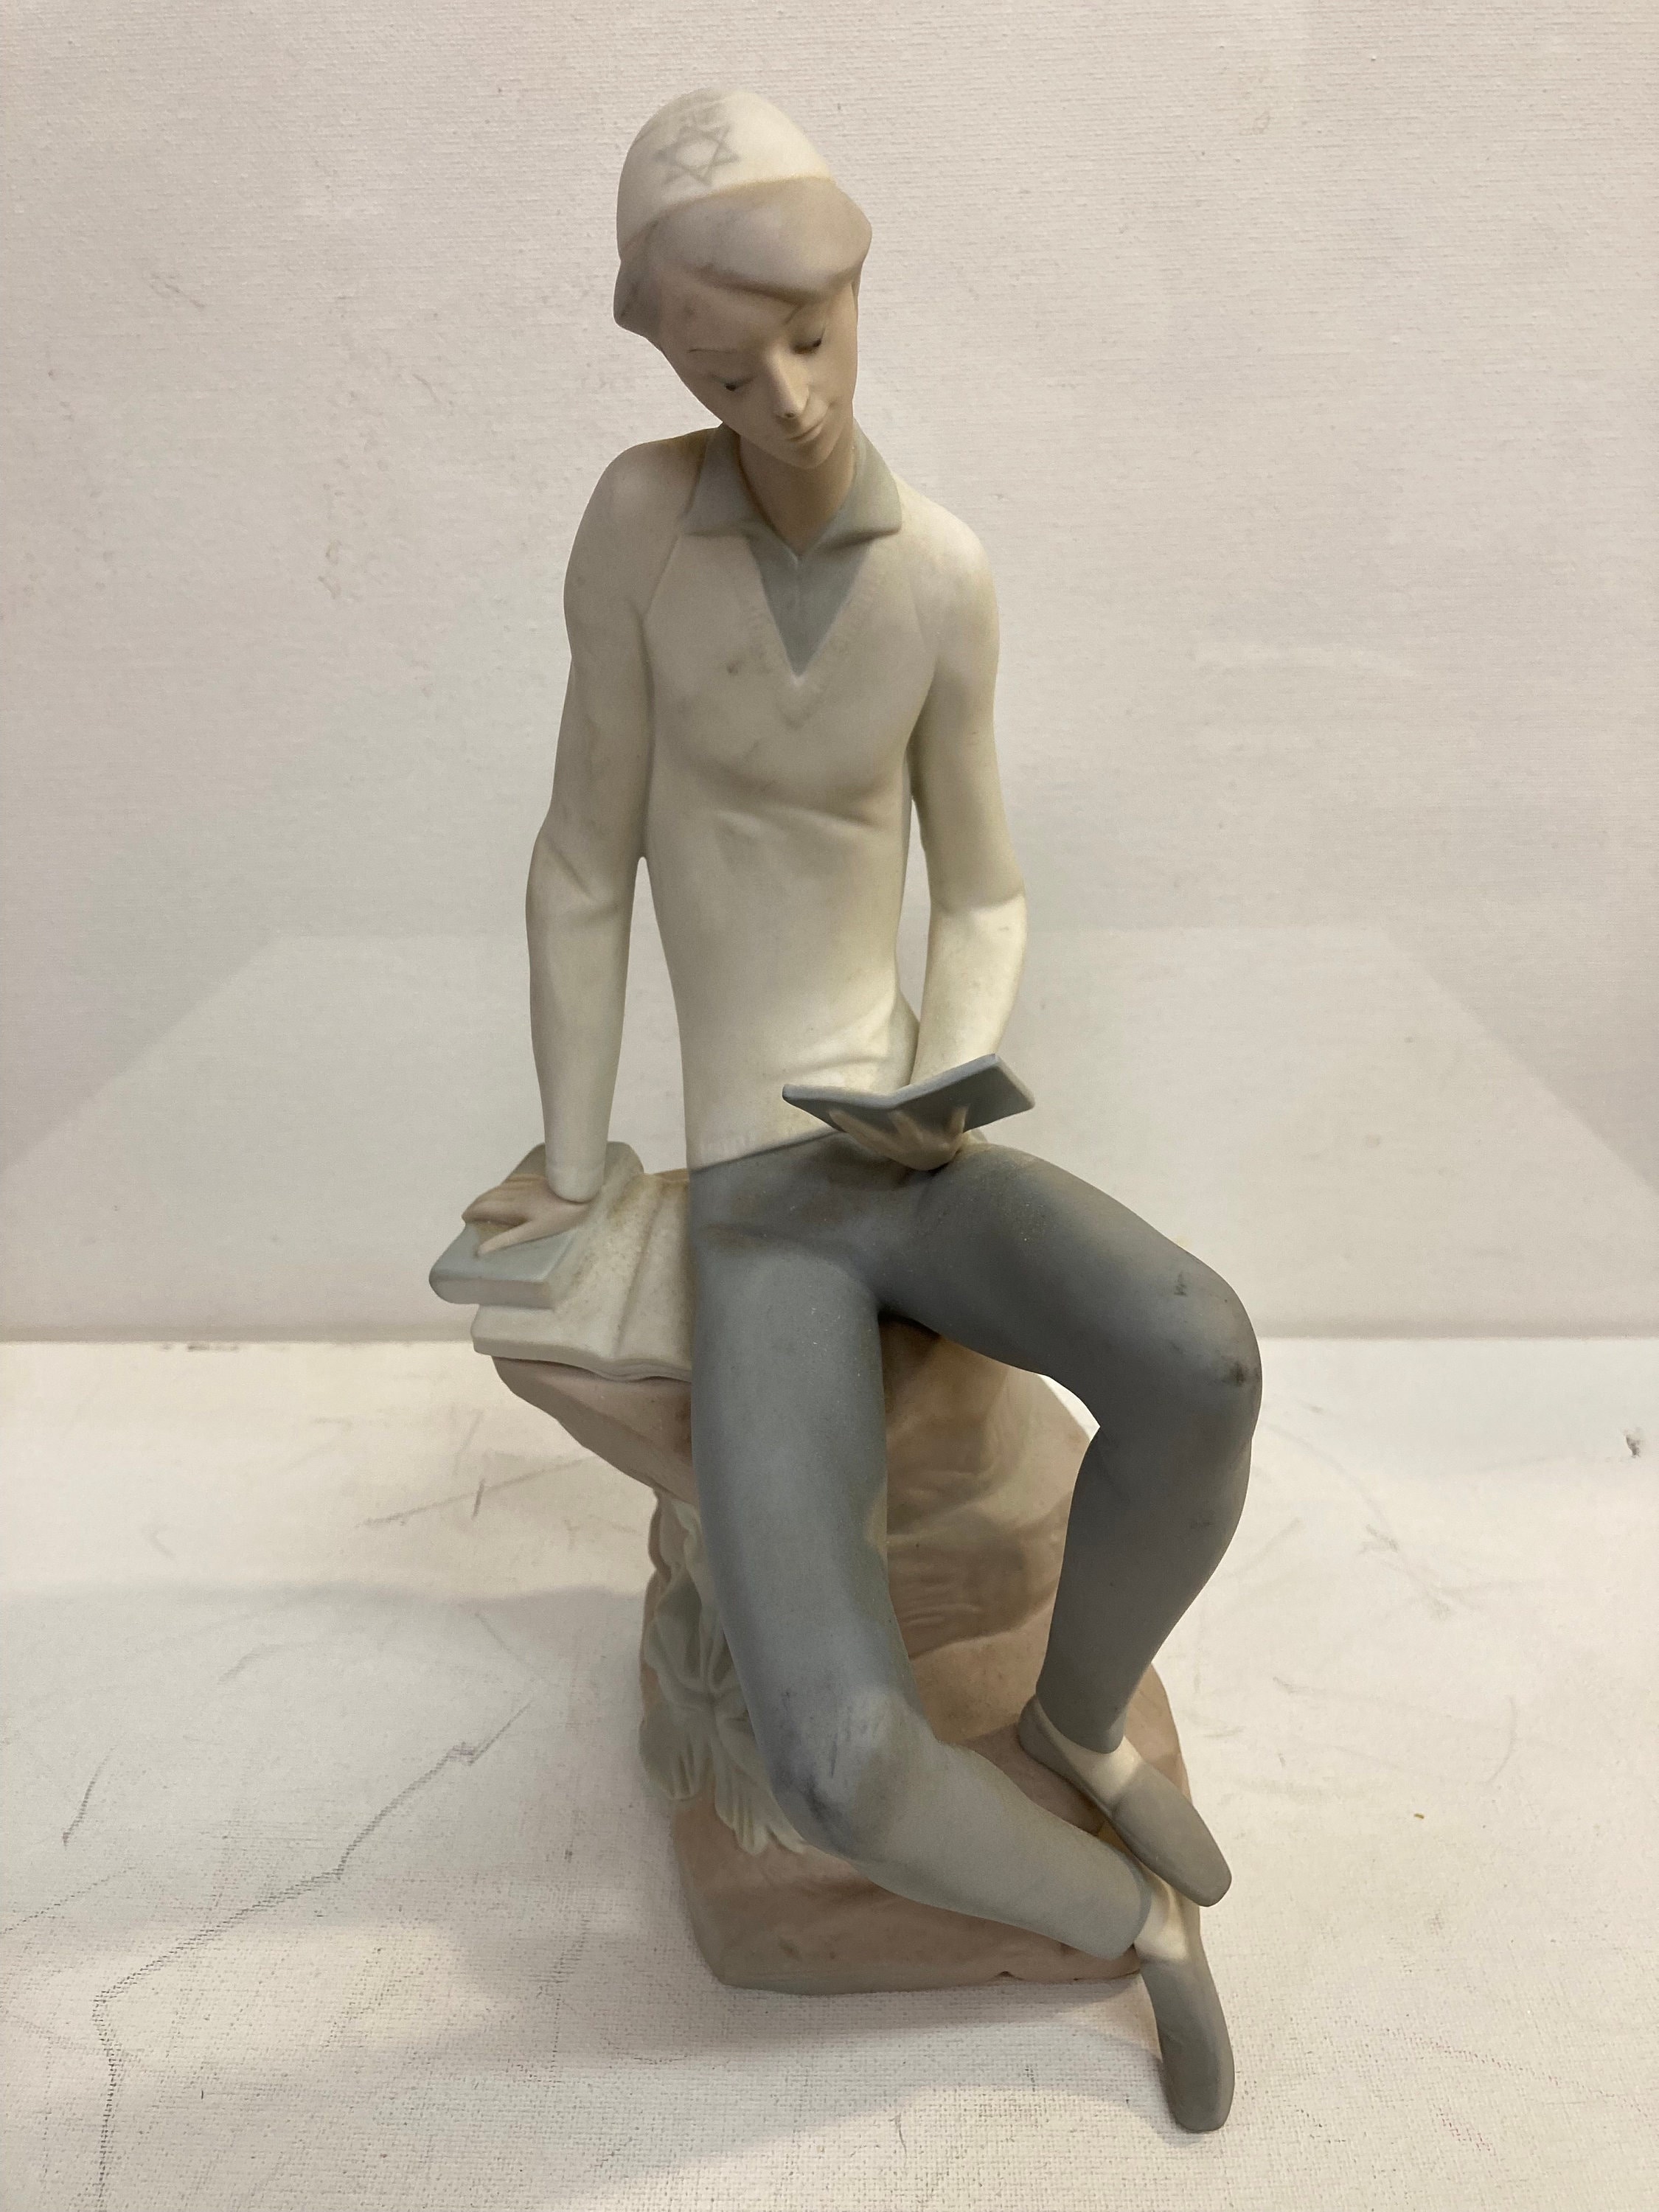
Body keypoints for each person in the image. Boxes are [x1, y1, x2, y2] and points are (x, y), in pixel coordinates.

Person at [465, 89, 1261, 2132]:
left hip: (907, 1143)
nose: (789, 399)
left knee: (1199, 1354)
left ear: (859, 293)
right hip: (760, 1197)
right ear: (667, 360)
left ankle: (1080, 1723)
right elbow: (582, 862)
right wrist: (578, 1167)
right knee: (834, 1751)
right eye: (728, 368)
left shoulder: (942, 577)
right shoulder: (642, 533)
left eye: (815, 335)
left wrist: (942, 1070)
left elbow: (981, 886)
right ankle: (1126, 1928)